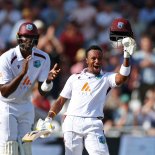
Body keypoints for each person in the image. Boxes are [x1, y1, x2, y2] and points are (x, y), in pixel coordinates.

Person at [37, 18, 136, 155]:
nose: (97, 61)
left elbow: (122, 77)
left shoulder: (106, 78)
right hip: (72, 122)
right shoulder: (74, 78)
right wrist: (48, 118)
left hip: (94, 124)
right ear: (86, 60)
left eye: (99, 59)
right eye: (93, 58)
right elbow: (60, 101)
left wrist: (126, 56)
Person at [0, 22, 60, 155]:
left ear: (36, 39)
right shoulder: (6, 59)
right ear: (18, 38)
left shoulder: (43, 57)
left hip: (26, 105)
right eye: (25, 37)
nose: (28, 41)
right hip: (7, 106)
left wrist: (48, 81)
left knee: (26, 145)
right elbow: (4, 92)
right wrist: (22, 73)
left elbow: (41, 91)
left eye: (32, 37)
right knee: (9, 146)